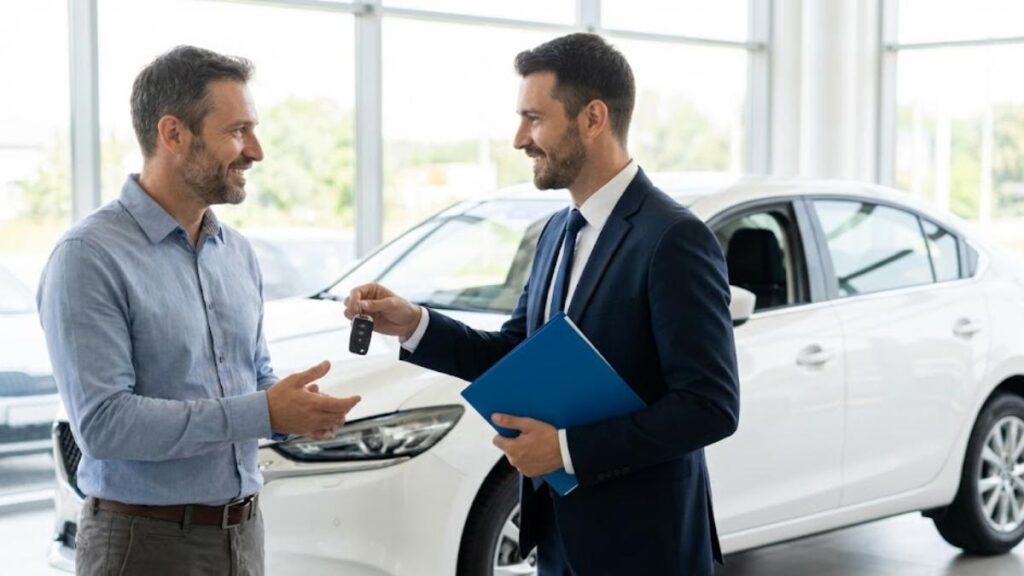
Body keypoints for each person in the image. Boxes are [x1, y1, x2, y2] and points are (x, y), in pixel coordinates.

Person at [345, 33, 740, 575]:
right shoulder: (557, 231)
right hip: (558, 538)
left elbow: (709, 405)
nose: (518, 139)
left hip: (647, 546)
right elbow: (518, 354)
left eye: (534, 118)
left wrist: (568, 451)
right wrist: (414, 324)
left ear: (592, 118)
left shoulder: (673, 238)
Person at [37, 45, 360, 576]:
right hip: (143, 545)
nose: (255, 150)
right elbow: (105, 424)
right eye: (237, 131)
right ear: (173, 134)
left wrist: (296, 412)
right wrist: (264, 411)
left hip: (243, 535)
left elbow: (253, 379)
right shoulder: (88, 257)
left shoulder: (236, 252)